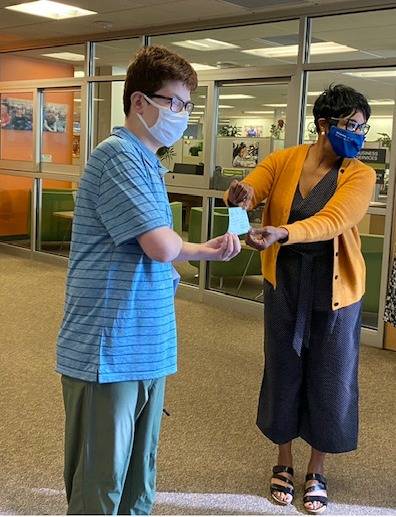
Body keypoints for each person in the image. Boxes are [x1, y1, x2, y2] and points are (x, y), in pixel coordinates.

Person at [56, 45, 240, 515]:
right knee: (102, 478)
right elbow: (159, 245)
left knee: (141, 472)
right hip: (108, 346)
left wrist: (207, 249)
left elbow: (159, 245)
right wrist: (189, 248)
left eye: (186, 106)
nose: (181, 115)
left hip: (147, 341)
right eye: (173, 102)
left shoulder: (149, 163)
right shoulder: (117, 155)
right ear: (140, 101)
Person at [225, 84, 375, 514]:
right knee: (283, 369)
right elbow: (254, 186)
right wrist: (243, 196)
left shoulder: (359, 174)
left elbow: (335, 220)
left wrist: (284, 232)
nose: (358, 135)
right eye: (351, 125)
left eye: (363, 128)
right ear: (323, 125)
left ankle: (318, 469)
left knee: (330, 377)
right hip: (285, 282)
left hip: (336, 289)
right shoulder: (285, 159)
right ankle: (284, 462)